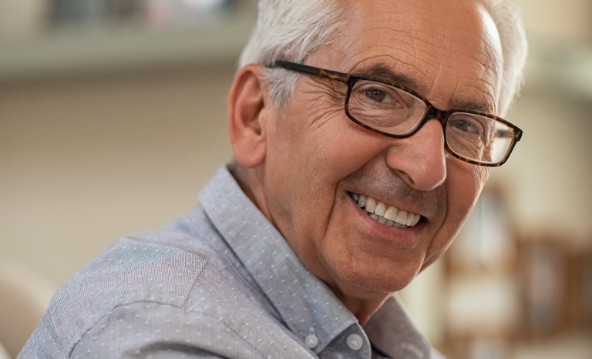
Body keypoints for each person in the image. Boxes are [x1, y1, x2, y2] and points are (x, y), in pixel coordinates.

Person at [19, 0, 527, 358]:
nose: (427, 167)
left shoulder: (382, 338)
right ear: (255, 115)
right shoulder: (156, 332)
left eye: (466, 125)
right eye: (377, 95)